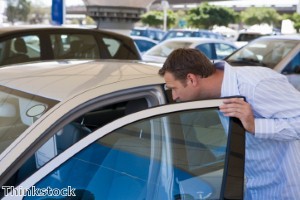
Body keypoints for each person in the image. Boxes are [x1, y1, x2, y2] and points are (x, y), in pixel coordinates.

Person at [158, 48, 300, 199]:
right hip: (254, 187)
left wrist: (255, 126)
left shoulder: (256, 85)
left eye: (173, 89)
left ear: (191, 79)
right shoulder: (216, 93)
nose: (174, 96)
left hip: (286, 190)